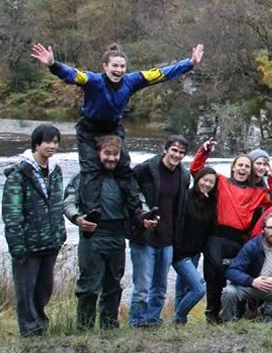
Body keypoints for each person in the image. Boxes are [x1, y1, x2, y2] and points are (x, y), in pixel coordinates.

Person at [30, 42, 202, 220]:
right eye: (114, 66)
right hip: (89, 129)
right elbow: (73, 75)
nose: (118, 70)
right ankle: (92, 213)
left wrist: (189, 63)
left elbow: (161, 74)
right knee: (91, 170)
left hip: (113, 127)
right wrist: (53, 65)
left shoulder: (132, 80)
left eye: (122, 66)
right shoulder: (94, 80)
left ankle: (138, 211)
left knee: (124, 168)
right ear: (105, 66)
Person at [64, 135, 157, 330]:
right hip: (92, 236)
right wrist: (77, 218)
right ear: (98, 153)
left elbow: (139, 202)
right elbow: (68, 202)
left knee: (113, 285)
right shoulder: (84, 177)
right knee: (89, 286)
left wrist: (146, 218)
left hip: (117, 236)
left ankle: (110, 327)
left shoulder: (125, 179)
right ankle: (84, 329)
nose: (112, 158)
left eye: (116, 154)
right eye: (107, 153)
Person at [189, 138, 272, 323]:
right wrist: (204, 151)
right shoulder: (221, 181)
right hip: (216, 236)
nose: (243, 169)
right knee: (214, 277)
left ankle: (235, 314)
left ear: (250, 171)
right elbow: (197, 171)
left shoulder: (256, 192)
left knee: (238, 275)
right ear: (233, 168)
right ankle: (212, 315)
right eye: (240, 165)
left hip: (238, 240)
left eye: (247, 166)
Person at [2, 124, 66, 337]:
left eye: (55, 142)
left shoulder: (56, 171)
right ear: (36, 144)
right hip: (28, 244)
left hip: (50, 241)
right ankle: (30, 333)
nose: (52, 146)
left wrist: (60, 233)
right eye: (47, 141)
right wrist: (17, 245)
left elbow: (58, 204)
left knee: (44, 289)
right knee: (26, 292)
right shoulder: (19, 173)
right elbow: (11, 213)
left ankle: (41, 328)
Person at [129, 135, 191, 328]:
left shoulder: (184, 175)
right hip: (144, 236)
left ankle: (153, 320)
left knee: (160, 287)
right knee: (142, 287)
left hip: (168, 238)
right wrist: (141, 218)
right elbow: (131, 197)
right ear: (165, 150)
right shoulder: (145, 169)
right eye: (174, 150)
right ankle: (137, 323)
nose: (177, 155)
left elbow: (180, 209)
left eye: (181, 152)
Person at [221, 214, 272, 322]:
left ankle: (266, 314)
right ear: (263, 230)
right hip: (250, 285)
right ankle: (227, 321)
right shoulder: (252, 245)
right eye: (270, 227)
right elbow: (232, 271)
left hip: (271, 286)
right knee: (229, 291)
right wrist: (252, 281)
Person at [171, 167, 217, 326]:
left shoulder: (209, 202)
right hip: (179, 253)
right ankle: (179, 317)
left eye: (211, 182)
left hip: (195, 252)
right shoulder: (185, 197)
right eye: (205, 180)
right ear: (197, 179)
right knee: (199, 288)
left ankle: (177, 327)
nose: (207, 184)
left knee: (182, 288)